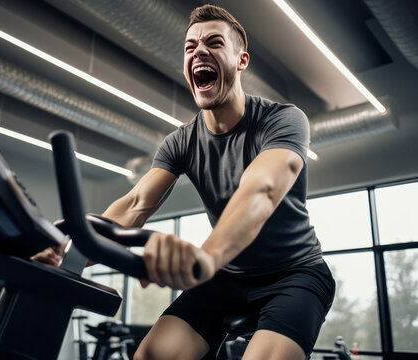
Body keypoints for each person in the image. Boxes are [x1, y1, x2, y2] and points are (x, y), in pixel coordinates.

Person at [34, 4, 335, 360]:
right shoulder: (181, 141)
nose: (199, 51)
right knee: (150, 356)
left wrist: (204, 258)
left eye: (214, 43)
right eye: (190, 47)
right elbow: (134, 205)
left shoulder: (282, 119)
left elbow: (262, 190)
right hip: (226, 276)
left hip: (295, 273)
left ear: (241, 60)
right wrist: (69, 254)